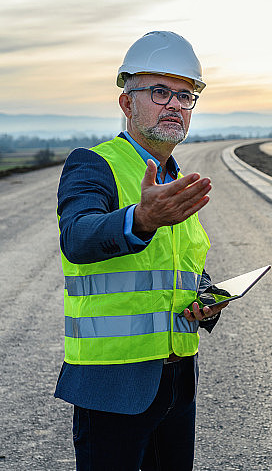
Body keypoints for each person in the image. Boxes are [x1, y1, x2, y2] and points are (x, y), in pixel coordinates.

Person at [55, 31, 230, 471]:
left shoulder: (178, 179)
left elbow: (182, 266)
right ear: (126, 103)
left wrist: (206, 297)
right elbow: (78, 237)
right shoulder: (93, 164)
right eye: (159, 92)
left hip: (177, 380)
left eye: (185, 95)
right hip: (113, 384)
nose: (174, 104)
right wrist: (141, 219)